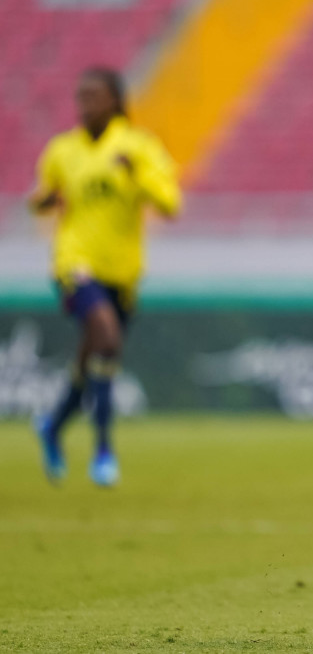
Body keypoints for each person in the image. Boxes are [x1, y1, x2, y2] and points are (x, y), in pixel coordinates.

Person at [29, 67, 182, 487]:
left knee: (93, 355)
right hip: (74, 264)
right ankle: (103, 449)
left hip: (121, 275)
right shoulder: (62, 150)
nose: (85, 105)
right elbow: (43, 198)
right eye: (80, 97)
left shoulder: (138, 147)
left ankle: (54, 426)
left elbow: (170, 203)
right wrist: (41, 202)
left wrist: (136, 174)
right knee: (107, 338)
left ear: (115, 100)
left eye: (93, 96)